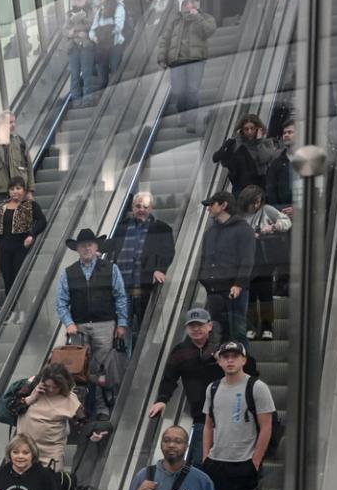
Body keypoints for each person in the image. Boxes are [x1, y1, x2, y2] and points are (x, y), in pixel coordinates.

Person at [200, 341, 274, 490]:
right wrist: (206, 456)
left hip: (244, 463)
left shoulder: (257, 387)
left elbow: (266, 427)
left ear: (243, 360)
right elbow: (209, 424)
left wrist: (255, 461)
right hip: (218, 462)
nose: (230, 360)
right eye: (225, 356)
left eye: (235, 356)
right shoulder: (212, 388)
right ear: (219, 361)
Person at [147, 308, 260, 464]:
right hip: (201, 416)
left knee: (228, 462)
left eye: (200, 325)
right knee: (200, 462)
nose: (196, 329)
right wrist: (162, 400)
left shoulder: (225, 347)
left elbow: (250, 369)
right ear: (186, 329)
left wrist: (223, 361)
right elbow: (169, 378)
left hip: (231, 416)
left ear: (210, 326)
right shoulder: (180, 351)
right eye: (191, 326)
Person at [52, 228, 129, 416]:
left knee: (102, 369)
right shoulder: (68, 272)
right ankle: (83, 408)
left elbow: (120, 297)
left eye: (90, 244)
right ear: (77, 249)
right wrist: (69, 323)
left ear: (96, 247)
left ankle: (104, 407)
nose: (86, 248)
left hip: (105, 324)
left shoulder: (111, 268)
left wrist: (122, 323)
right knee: (80, 369)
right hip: (78, 327)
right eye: (82, 245)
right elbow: (61, 302)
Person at [106, 190, 175, 326]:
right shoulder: (122, 227)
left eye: (145, 207)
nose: (141, 210)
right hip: (122, 288)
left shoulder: (162, 228)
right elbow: (112, 245)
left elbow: (168, 252)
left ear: (151, 208)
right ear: (132, 207)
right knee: (121, 326)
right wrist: (98, 248)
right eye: (138, 206)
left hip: (145, 286)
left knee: (145, 325)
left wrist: (159, 269)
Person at [198, 190, 255, 341]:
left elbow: (247, 259)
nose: (208, 208)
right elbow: (205, 258)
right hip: (214, 290)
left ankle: (243, 363)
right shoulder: (210, 232)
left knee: (237, 333)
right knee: (218, 333)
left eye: (211, 204)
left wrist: (239, 283)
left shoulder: (243, 229)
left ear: (224, 205)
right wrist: (204, 279)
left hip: (233, 289)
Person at [238, 184, 292, 339]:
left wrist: (274, 227)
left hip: (264, 258)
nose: (254, 206)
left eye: (256, 202)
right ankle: (251, 325)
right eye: (251, 203)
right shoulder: (240, 216)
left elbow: (286, 221)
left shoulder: (267, 210)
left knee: (266, 293)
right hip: (246, 259)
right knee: (250, 294)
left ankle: (267, 326)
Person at [13, 363, 83, 472]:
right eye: (48, 385)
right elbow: (12, 407)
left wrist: (95, 430)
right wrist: (32, 398)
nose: (50, 390)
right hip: (25, 449)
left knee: (49, 483)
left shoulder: (70, 399)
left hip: (51, 452)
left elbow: (82, 419)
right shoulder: (31, 387)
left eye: (55, 387)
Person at [159, 0, 216, 119]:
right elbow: (165, 40)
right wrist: (162, 58)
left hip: (195, 60)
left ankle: (191, 119)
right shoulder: (175, 22)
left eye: (192, 4)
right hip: (177, 61)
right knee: (178, 91)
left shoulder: (205, 18)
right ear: (182, 7)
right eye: (186, 5)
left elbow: (209, 30)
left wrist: (197, 17)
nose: (189, 7)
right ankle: (182, 114)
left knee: (192, 90)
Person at [0, 175, 46, 292]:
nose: (14, 191)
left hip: (20, 247)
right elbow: (0, 229)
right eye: (12, 189)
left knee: (19, 278)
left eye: (18, 188)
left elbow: (42, 221)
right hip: (3, 249)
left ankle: (21, 308)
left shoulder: (30, 205)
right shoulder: (2, 206)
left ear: (24, 190)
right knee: (7, 279)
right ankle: (11, 310)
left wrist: (32, 234)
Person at [213, 113, 280, 199]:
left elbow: (264, 158)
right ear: (241, 130)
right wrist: (238, 139)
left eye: (252, 128)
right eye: (246, 129)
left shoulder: (266, 143)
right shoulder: (235, 143)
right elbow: (218, 159)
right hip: (240, 187)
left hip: (259, 187)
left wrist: (259, 141)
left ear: (258, 128)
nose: (249, 132)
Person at [92, 0, 127, 91]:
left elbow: (119, 26)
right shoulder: (99, 11)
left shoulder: (119, 7)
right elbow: (93, 28)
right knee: (102, 74)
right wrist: (94, 37)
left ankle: (118, 93)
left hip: (115, 44)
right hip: (102, 46)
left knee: (115, 69)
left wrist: (106, 33)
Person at [65, 0, 95, 99]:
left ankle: (88, 97)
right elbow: (65, 31)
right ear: (74, 0)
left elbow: (94, 26)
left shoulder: (91, 10)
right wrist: (76, 31)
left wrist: (83, 19)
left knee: (87, 73)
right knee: (74, 74)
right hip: (73, 47)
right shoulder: (69, 13)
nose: (79, 0)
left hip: (86, 45)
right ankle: (76, 98)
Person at [264, 121, 299, 213]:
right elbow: (271, 190)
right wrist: (279, 211)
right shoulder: (276, 163)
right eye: (284, 133)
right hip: (282, 213)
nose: (286, 135)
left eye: (290, 132)